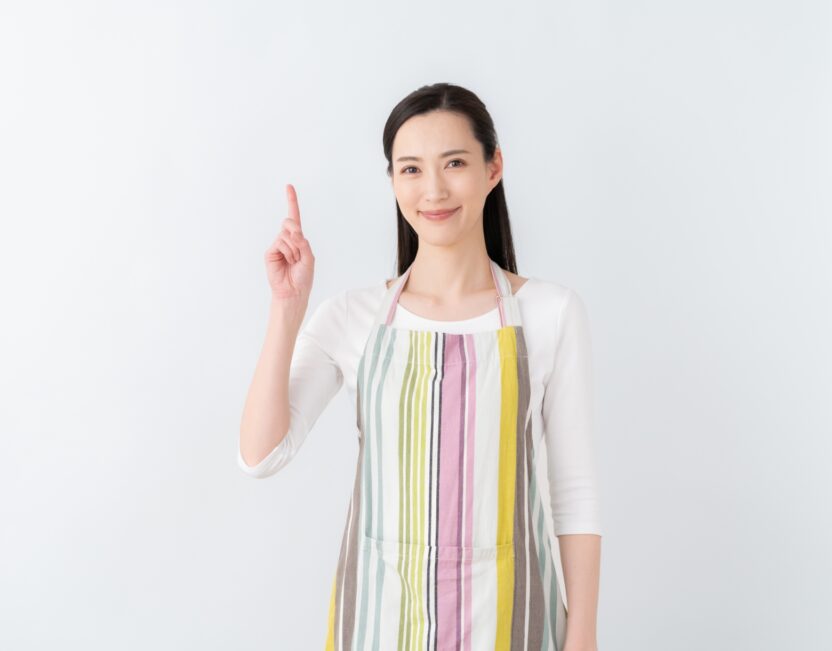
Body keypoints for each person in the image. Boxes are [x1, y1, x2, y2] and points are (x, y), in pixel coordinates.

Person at [238, 82, 602, 650]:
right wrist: (287, 310)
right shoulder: (352, 317)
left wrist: (582, 637)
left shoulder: (550, 312)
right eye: (410, 169)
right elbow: (261, 456)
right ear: (393, 181)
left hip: (509, 625)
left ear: (493, 168)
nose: (433, 189)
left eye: (454, 163)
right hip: (379, 626)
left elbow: (573, 494)